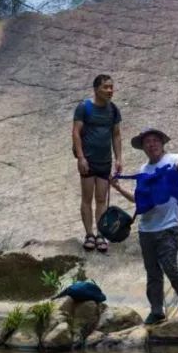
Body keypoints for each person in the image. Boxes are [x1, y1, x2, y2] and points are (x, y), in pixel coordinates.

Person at [111, 128, 178, 325]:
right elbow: (139, 201)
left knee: (170, 266)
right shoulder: (144, 170)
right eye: (147, 142)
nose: (151, 145)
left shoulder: (174, 159)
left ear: (162, 143)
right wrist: (118, 188)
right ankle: (156, 310)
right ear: (143, 147)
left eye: (154, 141)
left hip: (168, 226)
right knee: (152, 273)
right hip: (146, 229)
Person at [72, 74, 123, 252]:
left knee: (101, 199)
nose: (110, 91)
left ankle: (100, 233)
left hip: (104, 161)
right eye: (106, 87)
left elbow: (116, 135)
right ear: (96, 90)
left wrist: (119, 158)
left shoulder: (113, 110)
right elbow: (76, 132)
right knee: (87, 198)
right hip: (88, 160)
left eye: (111, 87)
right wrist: (80, 157)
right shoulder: (84, 108)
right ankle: (89, 234)